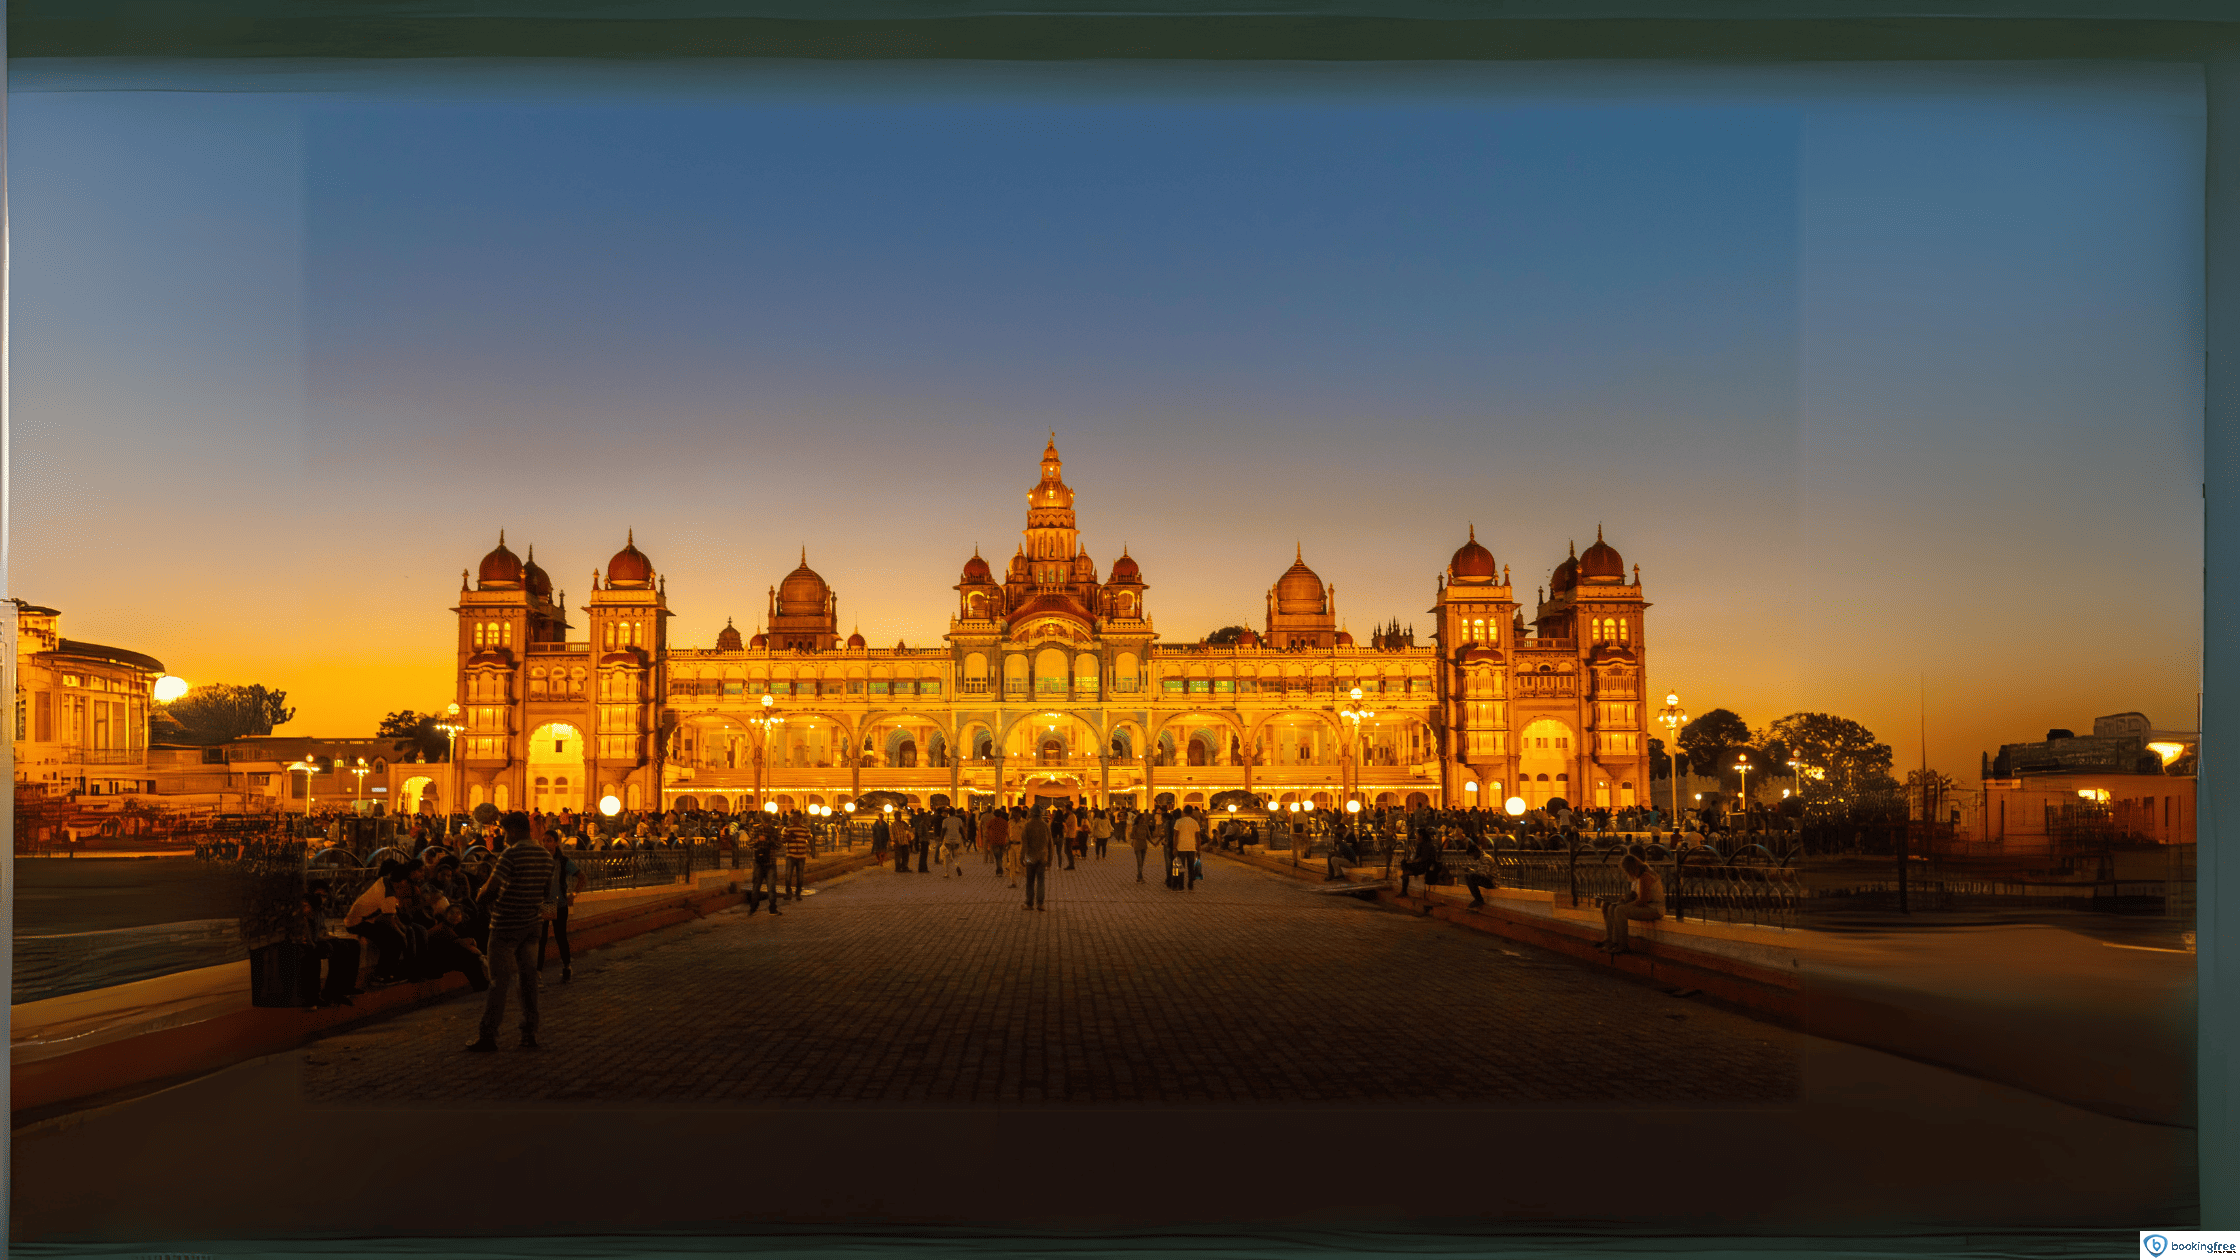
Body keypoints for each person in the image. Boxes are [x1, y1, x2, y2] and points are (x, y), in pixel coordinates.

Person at [466, 811, 557, 1052]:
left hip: (505, 926)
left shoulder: (511, 853)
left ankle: (489, 1034)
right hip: (532, 926)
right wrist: (544, 924)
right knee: (528, 982)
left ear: (515, 831)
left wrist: (480, 897)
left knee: (499, 981)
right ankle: (529, 1033)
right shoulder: (546, 857)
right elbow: (548, 894)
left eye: (506, 833)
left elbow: (493, 887)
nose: (504, 838)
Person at [344, 859, 415, 984]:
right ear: (403, 881)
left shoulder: (384, 881)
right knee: (393, 940)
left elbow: (391, 914)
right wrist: (402, 934)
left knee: (401, 934)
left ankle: (391, 972)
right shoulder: (389, 894)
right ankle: (382, 975)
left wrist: (402, 929)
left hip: (366, 919)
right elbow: (389, 919)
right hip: (357, 923)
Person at [537, 824, 585, 983]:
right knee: (541, 939)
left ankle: (566, 965)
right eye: (544, 841)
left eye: (549, 841)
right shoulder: (541, 860)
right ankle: (537, 972)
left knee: (560, 937)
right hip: (545, 903)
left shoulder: (564, 861)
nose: (546, 844)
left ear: (556, 842)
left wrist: (574, 894)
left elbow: (581, 877)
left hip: (559, 903)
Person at [1599, 854, 1665, 954]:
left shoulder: (1645, 876)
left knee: (1620, 910)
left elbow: (1643, 901)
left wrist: (1625, 906)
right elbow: (1637, 896)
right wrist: (1624, 899)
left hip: (1654, 909)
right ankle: (1613, 941)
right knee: (1613, 907)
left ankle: (1623, 945)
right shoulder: (1641, 875)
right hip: (1648, 906)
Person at [1019, 807, 1054, 911]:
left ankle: (1029, 904)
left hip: (1030, 858)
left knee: (1030, 881)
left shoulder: (1027, 825)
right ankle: (1040, 904)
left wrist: (1021, 857)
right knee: (1041, 881)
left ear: (1031, 814)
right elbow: (1050, 844)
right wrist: (1050, 859)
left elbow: (1024, 843)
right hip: (1042, 858)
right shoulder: (1045, 826)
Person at [782, 809, 812, 901]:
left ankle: (798, 893)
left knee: (800, 876)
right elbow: (782, 840)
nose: (793, 819)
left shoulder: (805, 829)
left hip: (801, 856)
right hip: (790, 855)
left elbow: (810, 840)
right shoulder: (788, 829)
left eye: (795, 818)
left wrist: (812, 850)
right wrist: (788, 838)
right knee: (788, 875)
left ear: (800, 818)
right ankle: (788, 893)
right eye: (792, 818)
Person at [1172, 807, 1201, 891]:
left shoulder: (1179, 821)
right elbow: (1198, 837)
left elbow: (1176, 835)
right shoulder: (1195, 822)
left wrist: (1174, 847)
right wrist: (1199, 849)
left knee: (1181, 867)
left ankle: (1181, 886)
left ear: (1184, 812)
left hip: (1181, 847)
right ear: (1192, 812)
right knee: (1191, 867)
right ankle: (1190, 884)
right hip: (1192, 847)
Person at [983, 806, 1010, 878]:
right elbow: (1007, 831)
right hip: (1002, 841)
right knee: (1000, 856)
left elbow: (987, 828)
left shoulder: (992, 821)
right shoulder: (1004, 822)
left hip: (994, 841)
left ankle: (999, 870)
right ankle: (1000, 869)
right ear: (1001, 814)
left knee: (997, 856)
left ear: (994, 814)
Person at [1128, 809, 1153, 882]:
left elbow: (1148, 836)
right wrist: (1137, 837)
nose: (1143, 820)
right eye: (1142, 819)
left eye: (1144, 819)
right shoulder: (1135, 827)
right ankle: (1140, 877)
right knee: (1139, 862)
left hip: (1144, 845)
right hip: (1137, 845)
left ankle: (1139, 876)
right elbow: (1131, 836)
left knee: (1142, 862)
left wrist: (1153, 843)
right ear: (1138, 820)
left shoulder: (1145, 826)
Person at [941, 808, 966, 877]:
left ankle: (947, 873)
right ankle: (957, 866)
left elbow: (943, 830)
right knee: (956, 856)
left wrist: (941, 839)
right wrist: (964, 838)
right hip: (956, 840)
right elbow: (961, 830)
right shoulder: (959, 820)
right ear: (954, 813)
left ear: (948, 813)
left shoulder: (945, 820)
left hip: (947, 841)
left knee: (946, 857)